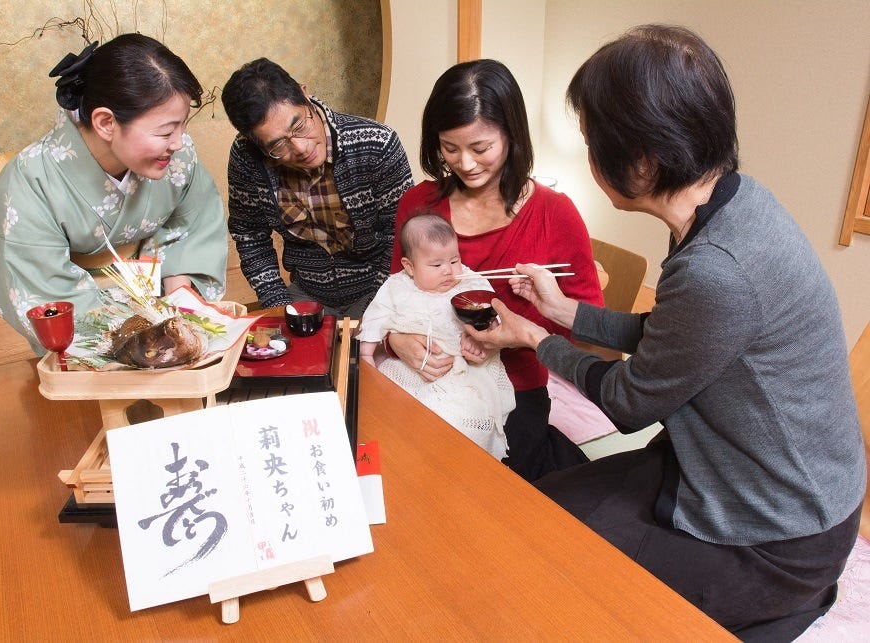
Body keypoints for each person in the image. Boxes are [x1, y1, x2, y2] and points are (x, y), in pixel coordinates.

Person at [467, 25, 866, 640]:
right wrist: (569, 313)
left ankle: (784, 604)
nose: (590, 157)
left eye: (593, 142)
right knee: (538, 511)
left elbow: (629, 403)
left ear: (644, 161)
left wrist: (534, 338)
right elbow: (674, 333)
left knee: (552, 569)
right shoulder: (732, 203)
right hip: (723, 472)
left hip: (778, 534)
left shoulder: (718, 268)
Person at [387, 59, 604, 481]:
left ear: (511, 134)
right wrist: (397, 340)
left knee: (488, 490)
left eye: (480, 148)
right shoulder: (418, 205)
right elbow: (397, 292)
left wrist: (518, 332)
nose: (465, 163)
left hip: (516, 386)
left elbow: (588, 322)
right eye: (450, 148)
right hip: (430, 374)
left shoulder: (554, 214)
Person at [0, 34, 228, 355]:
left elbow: (196, 225)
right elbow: (43, 286)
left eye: (182, 126)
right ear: (106, 122)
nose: (178, 142)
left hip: (165, 306)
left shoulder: (178, 155)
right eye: (166, 131)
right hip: (89, 322)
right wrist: (132, 339)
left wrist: (179, 301)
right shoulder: (31, 180)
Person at [221, 58, 413, 318]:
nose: (301, 148)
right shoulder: (247, 156)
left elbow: (400, 235)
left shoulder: (377, 143)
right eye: (278, 146)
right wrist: (279, 303)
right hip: (305, 295)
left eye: (299, 126)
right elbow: (250, 234)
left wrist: (377, 310)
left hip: (378, 291)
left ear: (305, 95)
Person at [358, 213, 514, 460]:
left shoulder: (471, 282)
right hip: (408, 367)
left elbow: (495, 316)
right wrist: (366, 354)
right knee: (389, 411)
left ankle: (459, 462)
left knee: (461, 419)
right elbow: (376, 316)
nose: (449, 271)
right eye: (436, 265)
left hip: (464, 371)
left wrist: (481, 339)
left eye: (454, 260)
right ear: (410, 267)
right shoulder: (397, 286)